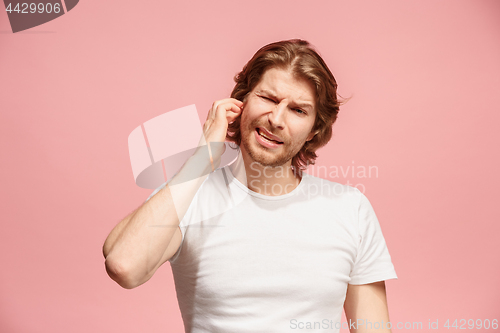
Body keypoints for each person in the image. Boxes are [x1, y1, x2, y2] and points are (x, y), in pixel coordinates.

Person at [103, 39, 397, 333]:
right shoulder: (189, 197)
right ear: (241, 101)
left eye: (298, 110)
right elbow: (124, 266)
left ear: (314, 131)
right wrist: (201, 158)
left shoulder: (349, 209)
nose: (276, 119)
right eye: (268, 98)